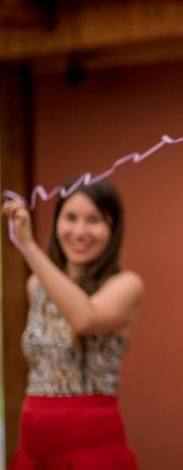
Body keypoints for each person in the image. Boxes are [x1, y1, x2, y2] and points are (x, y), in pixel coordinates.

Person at [2, 179, 143, 469]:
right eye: (70, 218)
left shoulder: (126, 285)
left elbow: (84, 318)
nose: (80, 232)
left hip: (91, 451)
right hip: (32, 450)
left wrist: (27, 246)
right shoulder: (35, 286)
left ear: (112, 229)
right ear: (56, 224)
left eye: (94, 220)